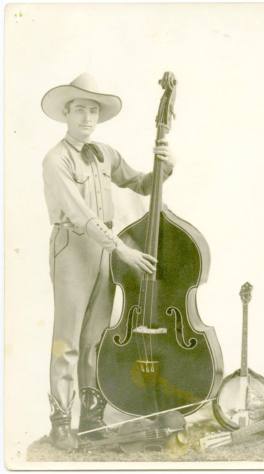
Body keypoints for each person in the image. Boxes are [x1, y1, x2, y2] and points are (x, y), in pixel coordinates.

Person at [41, 73, 174, 450]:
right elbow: (82, 215)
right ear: (66, 113)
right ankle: (61, 422)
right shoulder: (55, 160)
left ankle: (92, 418)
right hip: (74, 247)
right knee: (66, 339)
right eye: (80, 109)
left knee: (96, 337)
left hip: (106, 251)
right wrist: (123, 250)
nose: (87, 117)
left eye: (93, 110)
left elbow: (142, 184)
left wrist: (165, 165)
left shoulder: (106, 154)